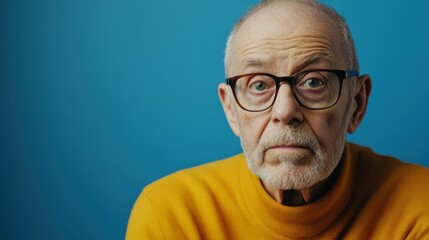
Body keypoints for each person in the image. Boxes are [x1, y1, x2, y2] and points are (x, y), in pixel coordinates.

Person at [126, 0, 429, 239]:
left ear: (357, 103)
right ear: (231, 109)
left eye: (313, 82)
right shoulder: (171, 214)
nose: (285, 112)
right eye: (259, 85)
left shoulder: (420, 206)